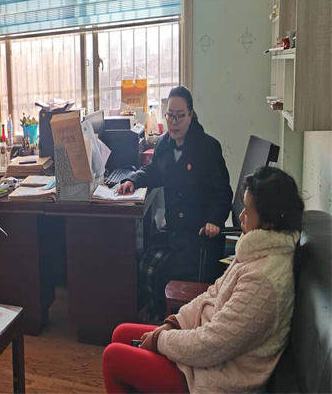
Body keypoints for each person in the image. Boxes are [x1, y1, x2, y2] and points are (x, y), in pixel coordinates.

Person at [103, 166, 305, 393]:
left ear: (269, 223)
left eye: (247, 212)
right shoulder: (258, 250)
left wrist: (161, 340)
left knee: (113, 358)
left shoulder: (264, 281)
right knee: (121, 333)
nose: (240, 217)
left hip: (214, 377)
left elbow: (213, 344)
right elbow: (214, 291)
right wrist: (174, 323)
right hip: (203, 354)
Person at [117, 86, 233, 320]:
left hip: (200, 238)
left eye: (180, 116)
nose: (174, 122)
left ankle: (168, 323)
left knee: (157, 272)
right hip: (175, 232)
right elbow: (153, 170)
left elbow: (223, 192)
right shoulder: (164, 144)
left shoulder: (208, 148)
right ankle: (156, 321)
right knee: (146, 264)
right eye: (170, 115)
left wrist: (214, 220)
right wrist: (132, 179)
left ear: (191, 115)